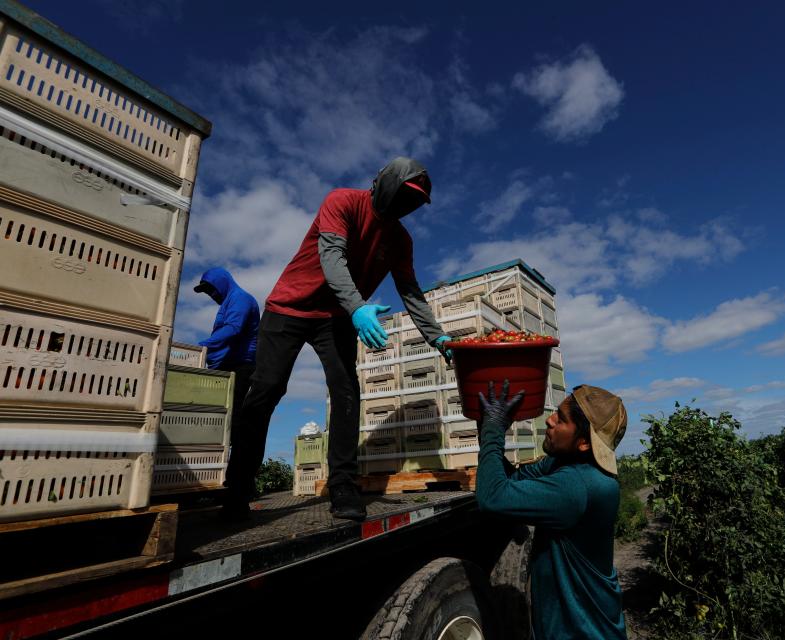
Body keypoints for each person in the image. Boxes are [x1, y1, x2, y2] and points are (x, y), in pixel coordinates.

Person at [222, 157, 452, 521]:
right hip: (288, 308)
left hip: (336, 318)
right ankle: (236, 490)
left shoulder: (400, 239)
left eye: (414, 202)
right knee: (266, 390)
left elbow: (410, 291)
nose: (404, 206)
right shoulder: (342, 201)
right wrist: (358, 307)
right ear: (384, 183)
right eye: (403, 195)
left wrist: (438, 338)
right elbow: (332, 258)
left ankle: (343, 485)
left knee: (346, 391)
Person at [475, 381, 629, 640]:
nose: (550, 420)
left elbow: (492, 497)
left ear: (583, 443)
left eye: (562, 419)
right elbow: (513, 482)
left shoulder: (576, 486)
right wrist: (489, 428)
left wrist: (493, 430)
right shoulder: (566, 464)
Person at [193, 267, 260, 433]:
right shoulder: (227, 302)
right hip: (224, 366)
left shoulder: (240, 298)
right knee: (216, 417)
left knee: (232, 417)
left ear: (221, 282)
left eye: (211, 289)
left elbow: (233, 329)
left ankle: (234, 457)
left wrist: (202, 347)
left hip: (240, 367)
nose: (211, 295)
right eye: (207, 292)